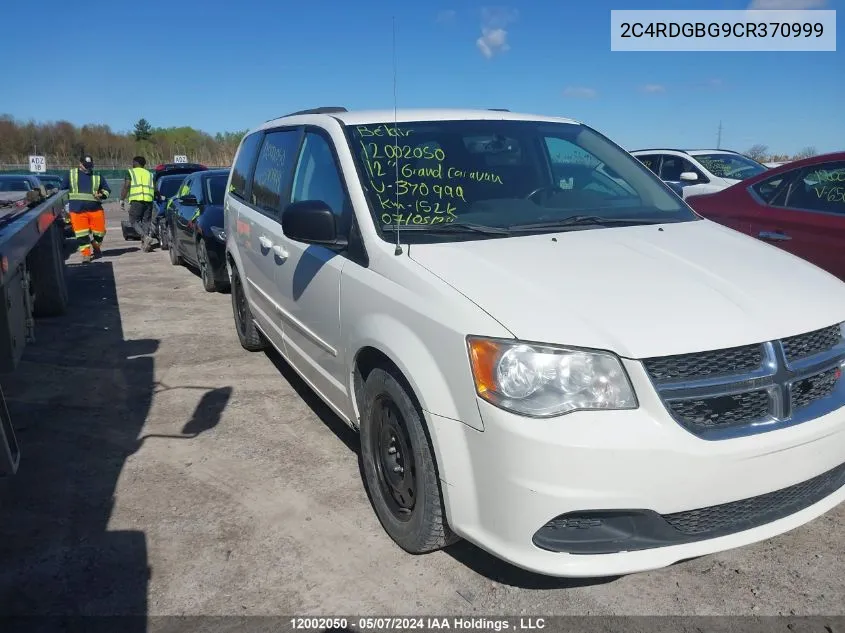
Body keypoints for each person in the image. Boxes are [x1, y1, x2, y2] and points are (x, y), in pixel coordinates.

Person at [62, 155, 110, 263]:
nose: (88, 168)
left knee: (100, 232)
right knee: (81, 234)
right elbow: (62, 190)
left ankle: (96, 245)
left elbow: (107, 190)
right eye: (86, 165)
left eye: (90, 165)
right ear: (80, 164)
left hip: (95, 209)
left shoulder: (97, 176)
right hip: (77, 210)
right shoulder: (71, 174)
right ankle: (86, 254)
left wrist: (101, 195)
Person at [120, 156, 156, 251]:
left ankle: (145, 237)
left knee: (133, 220)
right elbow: (155, 188)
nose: (132, 164)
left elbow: (126, 186)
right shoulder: (149, 174)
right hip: (148, 200)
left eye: (133, 162)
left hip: (137, 200)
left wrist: (122, 199)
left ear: (136, 163)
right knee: (146, 222)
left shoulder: (131, 172)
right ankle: (146, 245)